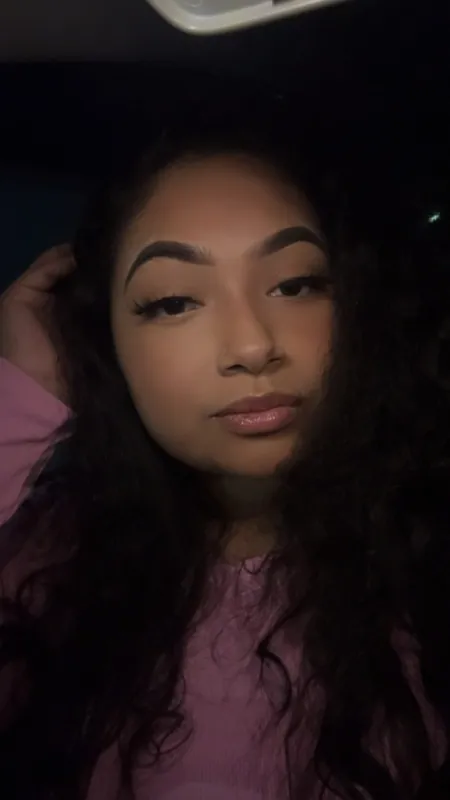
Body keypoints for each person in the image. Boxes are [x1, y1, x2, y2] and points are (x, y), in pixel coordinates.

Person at [0, 114, 449, 800]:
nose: (251, 346)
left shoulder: (426, 560)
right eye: (174, 301)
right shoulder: (45, 567)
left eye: (296, 284)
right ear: (103, 342)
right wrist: (22, 391)